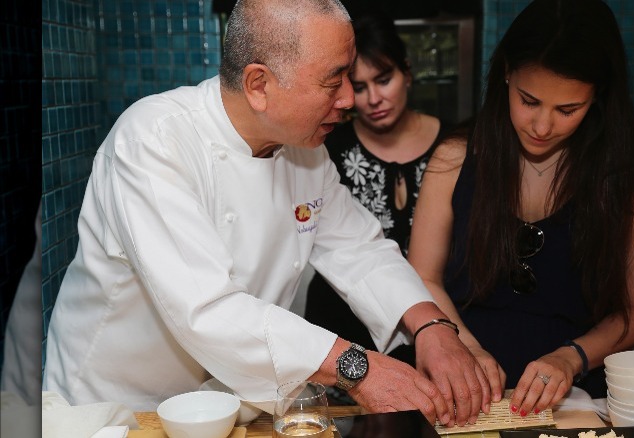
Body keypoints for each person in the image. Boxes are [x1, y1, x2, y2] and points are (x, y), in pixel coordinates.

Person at [42, 0, 492, 427]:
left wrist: (432, 327)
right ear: (259, 85)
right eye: (333, 80)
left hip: (228, 402)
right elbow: (208, 309)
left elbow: (362, 249)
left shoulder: (307, 154)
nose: (349, 100)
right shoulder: (153, 142)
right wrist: (360, 369)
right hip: (119, 408)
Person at [407, 0, 634, 419]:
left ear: (598, 97)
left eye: (568, 110)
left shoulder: (627, 178)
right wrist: (464, 348)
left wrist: (571, 358)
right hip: (456, 384)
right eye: (529, 101)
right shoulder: (455, 157)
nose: (542, 126)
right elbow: (424, 275)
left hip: (578, 394)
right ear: (507, 74)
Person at [304, 12, 448, 376]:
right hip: (340, 331)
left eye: (384, 80)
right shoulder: (326, 145)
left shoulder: (453, 147)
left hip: (431, 320)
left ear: (408, 72)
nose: (373, 98)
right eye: (359, 86)